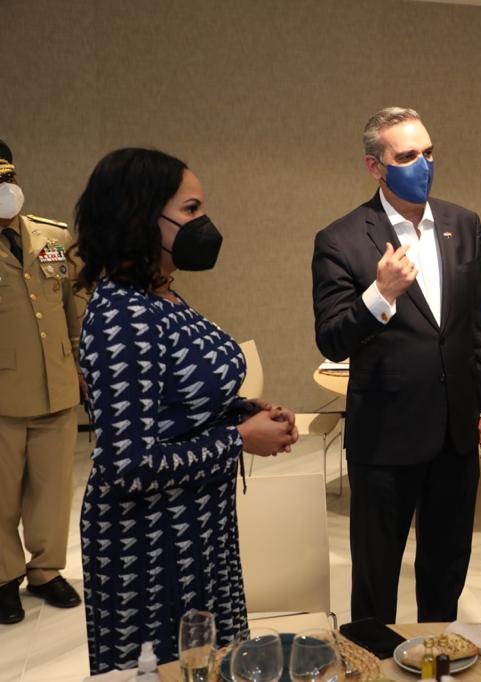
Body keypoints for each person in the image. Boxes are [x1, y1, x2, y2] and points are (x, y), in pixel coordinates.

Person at [74, 148, 298, 673]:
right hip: (150, 548)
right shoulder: (123, 314)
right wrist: (239, 438)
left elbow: (175, 400)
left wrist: (243, 410)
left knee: (213, 664)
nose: (204, 224)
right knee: (176, 670)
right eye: (191, 209)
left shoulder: (163, 296)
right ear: (141, 215)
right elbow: (126, 464)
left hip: (197, 528)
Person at [312, 107, 481, 623]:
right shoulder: (340, 239)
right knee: (376, 575)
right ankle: (371, 658)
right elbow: (331, 336)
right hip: (386, 436)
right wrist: (380, 294)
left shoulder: (463, 224)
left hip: (455, 433)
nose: (424, 165)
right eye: (407, 156)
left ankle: (438, 654)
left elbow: (480, 320)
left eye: (429, 152)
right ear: (375, 167)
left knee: (446, 568)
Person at [0, 139, 84, 624]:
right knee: (2, 496)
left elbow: (71, 305)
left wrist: (81, 362)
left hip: (57, 384)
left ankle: (46, 571)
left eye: (9, 179)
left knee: (52, 491)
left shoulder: (51, 236)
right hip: (4, 395)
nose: (7, 190)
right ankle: (3, 578)